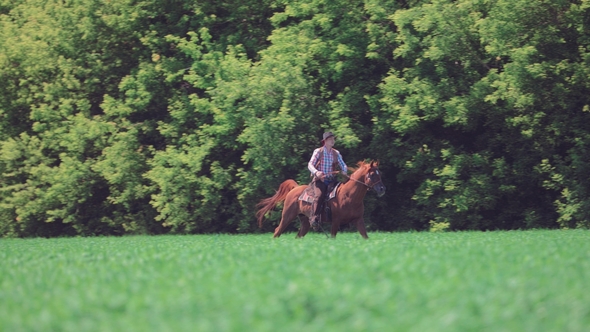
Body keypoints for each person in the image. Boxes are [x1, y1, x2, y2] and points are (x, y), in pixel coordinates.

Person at [307, 132, 348, 230]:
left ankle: (344, 218)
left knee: (342, 194)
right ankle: (314, 218)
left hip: (332, 181)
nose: (333, 141)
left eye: (333, 139)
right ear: (325, 141)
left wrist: (344, 171)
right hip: (320, 180)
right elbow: (310, 164)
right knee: (319, 196)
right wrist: (316, 172)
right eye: (330, 139)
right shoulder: (318, 151)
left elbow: (343, 165)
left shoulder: (336, 153)